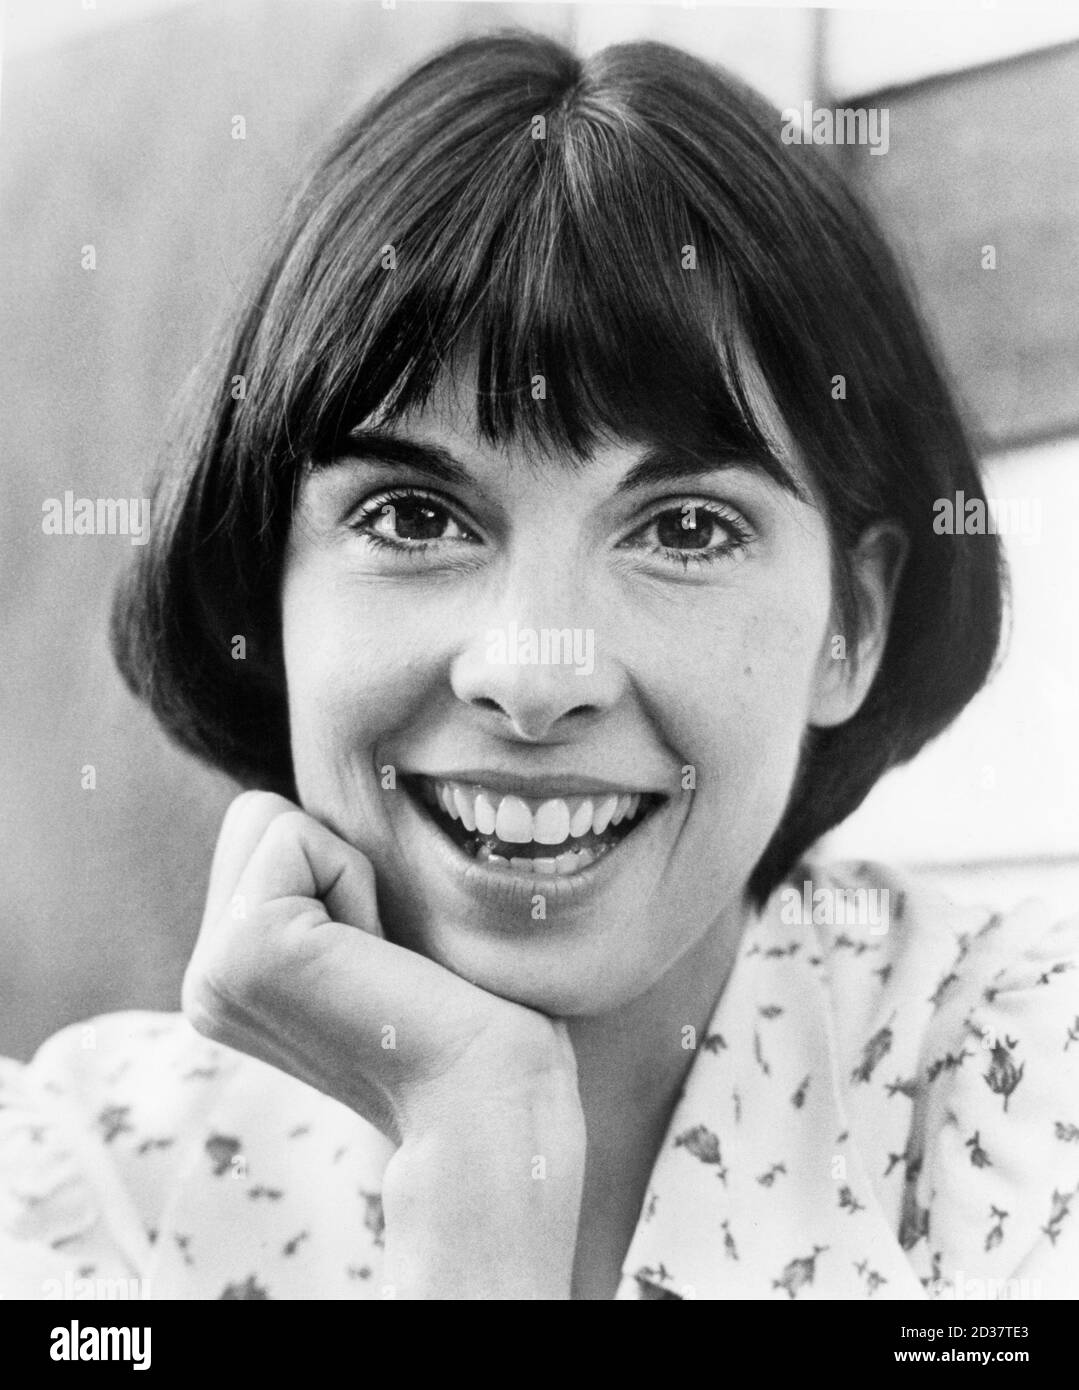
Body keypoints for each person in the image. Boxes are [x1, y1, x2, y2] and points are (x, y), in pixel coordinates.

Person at [2, 31, 1076, 1301]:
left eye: (682, 528)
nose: (531, 670)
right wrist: (468, 1148)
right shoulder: (81, 1189)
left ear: (850, 621)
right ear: (264, 592)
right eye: (413, 515)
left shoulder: (1025, 1074)